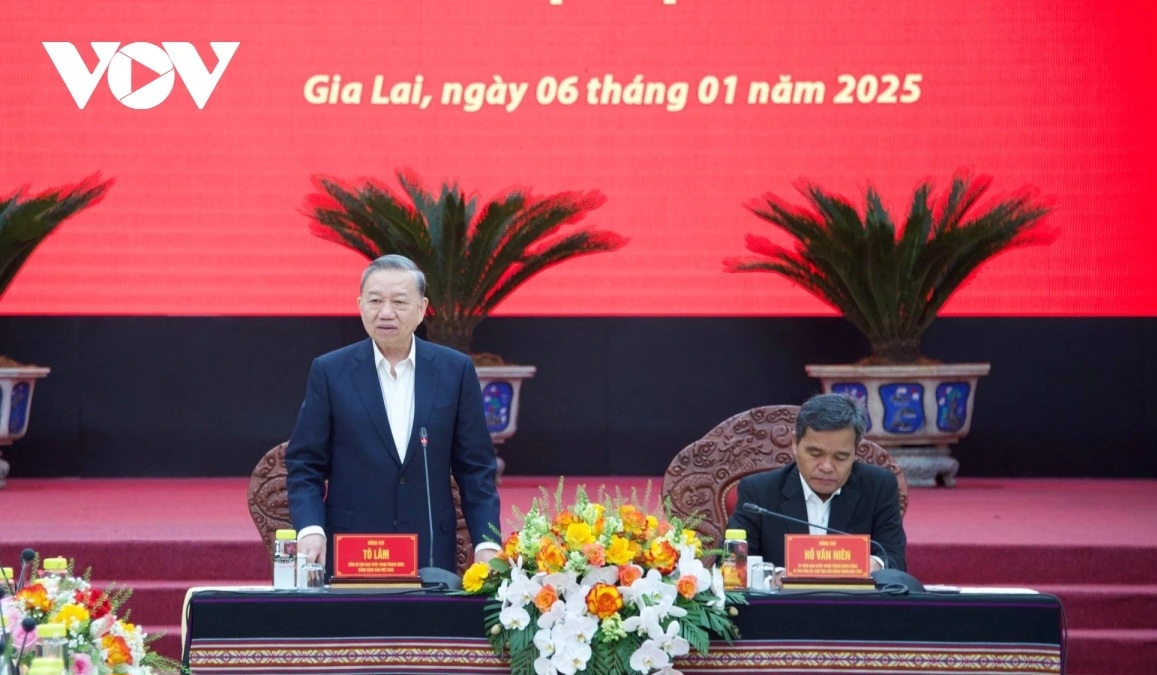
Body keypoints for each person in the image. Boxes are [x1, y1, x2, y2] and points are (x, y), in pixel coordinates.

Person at [285, 254, 500, 574]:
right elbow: (305, 464)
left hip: (429, 550)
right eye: (375, 301)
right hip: (353, 550)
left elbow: (476, 468)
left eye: (399, 302)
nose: (386, 312)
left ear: (422, 308)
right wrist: (311, 529)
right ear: (360, 305)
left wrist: (487, 542)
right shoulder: (330, 371)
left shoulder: (454, 371)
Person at [726, 393, 907, 580]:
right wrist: (776, 577)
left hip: (851, 597)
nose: (826, 467)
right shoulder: (758, 492)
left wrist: (874, 564)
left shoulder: (878, 486)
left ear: (855, 452)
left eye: (841, 457)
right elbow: (732, 563)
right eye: (815, 454)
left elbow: (895, 558)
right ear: (795, 444)